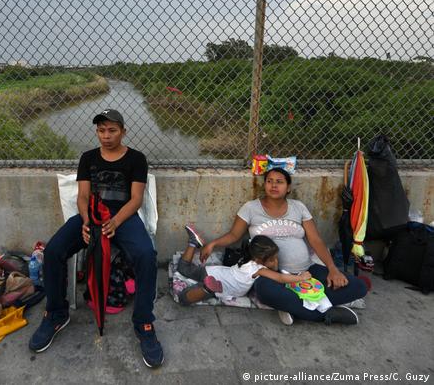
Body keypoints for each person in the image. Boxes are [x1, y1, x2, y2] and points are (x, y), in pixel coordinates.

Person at [28, 109, 164, 368]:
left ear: (123, 131)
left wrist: (116, 221)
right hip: (91, 215)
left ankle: (144, 322)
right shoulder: (88, 158)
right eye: (101, 130)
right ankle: (56, 313)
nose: (106, 135)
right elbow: (82, 196)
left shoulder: (136, 159)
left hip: (122, 217)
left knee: (146, 254)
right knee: (55, 250)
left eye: (112, 130)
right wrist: (86, 222)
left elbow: (136, 199)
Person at [188, 168, 367, 325]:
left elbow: (316, 241)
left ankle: (293, 307)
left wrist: (332, 269)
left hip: (306, 271)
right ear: (264, 185)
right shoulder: (251, 208)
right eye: (269, 181)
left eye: (279, 182)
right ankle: (324, 315)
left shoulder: (298, 207)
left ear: (288, 187)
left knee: (358, 287)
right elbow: (234, 235)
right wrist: (213, 243)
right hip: (273, 276)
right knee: (264, 292)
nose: (274, 185)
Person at [177, 234, 311, 305]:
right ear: (259, 260)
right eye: (272, 259)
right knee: (183, 298)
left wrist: (272, 262)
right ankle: (207, 289)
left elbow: (275, 269)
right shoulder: (259, 269)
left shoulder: (247, 257)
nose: (276, 262)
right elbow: (280, 278)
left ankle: (193, 242)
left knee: (184, 268)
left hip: (216, 272)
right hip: (224, 286)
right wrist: (301, 277)